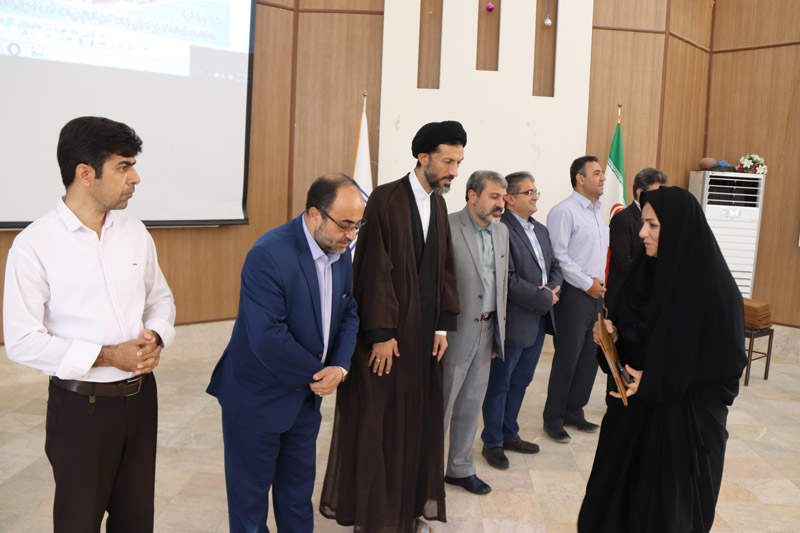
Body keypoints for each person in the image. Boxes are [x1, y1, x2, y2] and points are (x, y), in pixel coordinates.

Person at [3, 116, 176, 532]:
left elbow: (160, 299)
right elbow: (22, 341)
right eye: (123, 166)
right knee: (78, 523)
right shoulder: (34, 245)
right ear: (85, 174)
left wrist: (155, 336)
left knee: (136, 521)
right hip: (82, 410)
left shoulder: (135, 232)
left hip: (141, 399)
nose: (135, 178)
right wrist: (107, 356)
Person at [320, 121, 463, 533]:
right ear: (423, 157)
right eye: (448, 161)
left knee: (416, 423)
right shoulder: (385, 198)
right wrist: (381, 334)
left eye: (458, 162)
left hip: (423, 339)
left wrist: (442, 327)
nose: (454, 171)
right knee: (381, 425)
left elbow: (444, 266)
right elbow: (374, 269)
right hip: (390, 341)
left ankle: (408, 509)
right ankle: (378, 515)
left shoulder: (438, 205)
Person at [578, 186, 747, 532]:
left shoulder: (714, 288)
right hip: (631, 417)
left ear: (678, 228)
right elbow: (634, 336)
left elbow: (727, 362)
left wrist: (656, 379)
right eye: (643, 223)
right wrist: (612, 337)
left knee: (664, 513)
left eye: (653, 225)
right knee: (616, 506)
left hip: (681, 425)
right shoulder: (642, 273)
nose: (642, 233)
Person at [207, 173, 362, 532]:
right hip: (256, 399)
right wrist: (320, 374)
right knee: (249, 505)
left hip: (305, 401)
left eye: (358, 225)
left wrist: (340, 366)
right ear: (315, 215)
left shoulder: (339, 249)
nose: (352, 235)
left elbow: (348, 310)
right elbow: (267, 337)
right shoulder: (268, 255)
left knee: (296, 498)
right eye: (345, 224)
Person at [481, 171, 563, 469]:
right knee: (500, 384)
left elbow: (555, 266)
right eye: (529, 192)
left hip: (540, 319)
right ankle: (492, 443)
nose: (535, 196)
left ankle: (509, 434)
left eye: (536, 191)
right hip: (514, 320)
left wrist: (552, 289)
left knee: (521, 381)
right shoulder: (501, 229)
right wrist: (544, 297)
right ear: (511, 198)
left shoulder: (540, 229)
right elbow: (507, 279)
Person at [442, 170, 508, 495]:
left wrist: (498, 334)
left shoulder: (502, 231)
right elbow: (436, 284)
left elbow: (501, 284)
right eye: (494, 196)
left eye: (503, 197)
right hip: (452, 334)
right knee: (441, 407)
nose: (501, 204)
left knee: (471, 403)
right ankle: (425, 475)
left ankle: (459, 468)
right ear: (472, 196)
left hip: (488, 329)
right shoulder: (447, 226)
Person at [542, 155, 609, 443]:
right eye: (597, 173)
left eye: (602, 173)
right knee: (567, 359)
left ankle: (574, 410)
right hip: (573, 294)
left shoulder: (597, 212)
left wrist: (598, 287)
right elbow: (559, 256)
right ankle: (554, 418)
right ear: (580, 179)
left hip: (596, 295)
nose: (603, 178)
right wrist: (586, 284)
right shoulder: (564, 211)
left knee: (589, 357)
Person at [606, 167, 667, 309]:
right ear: (640, 193)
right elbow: (623, 262)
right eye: (657, 192)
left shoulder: (660, 218)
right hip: (624, 297)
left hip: (647, 295)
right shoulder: (622, 218)